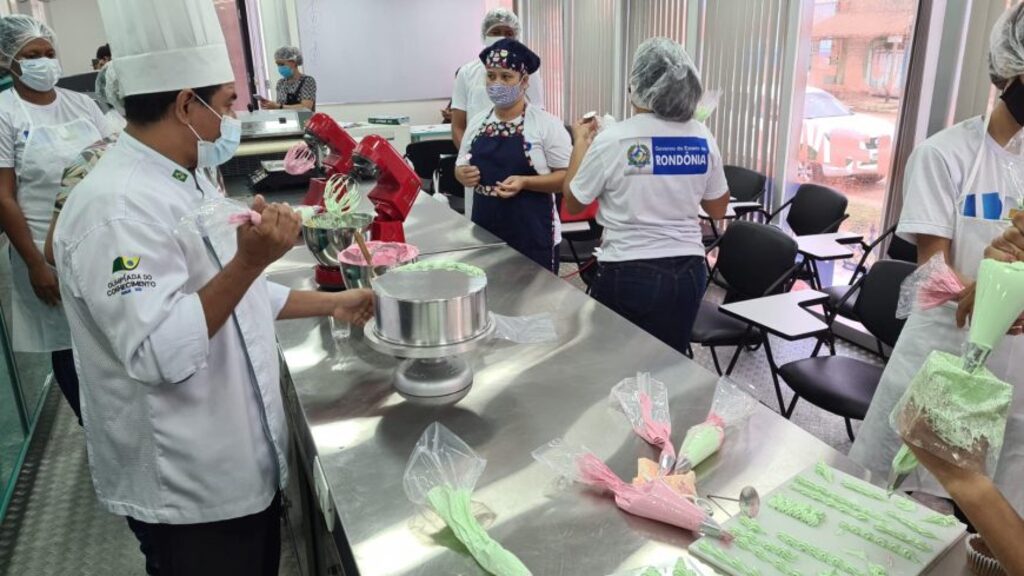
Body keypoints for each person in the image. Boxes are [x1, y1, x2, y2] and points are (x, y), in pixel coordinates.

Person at [54, 1, 374, 574]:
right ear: (185, 104)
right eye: (227, 103)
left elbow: (232, 300)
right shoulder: (116, 208)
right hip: (188, 490)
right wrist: (249, 263)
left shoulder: (187, 178)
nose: (233, 118)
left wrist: (333, 303)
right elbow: (160, 353)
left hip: (234, 466)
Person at [849, 3, 1024, 520]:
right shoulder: (944, 155)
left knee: (997, 528)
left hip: (1015, 375)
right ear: (1010, 70)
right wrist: (990, 285)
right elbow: (929, 275)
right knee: (907, 518)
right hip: (943, 362)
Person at [562, 37, 729, 355]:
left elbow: (574, 201)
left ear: (636, 87)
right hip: (689, 272)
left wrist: (581, 143)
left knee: (615, 363)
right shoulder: (701, 135)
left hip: (631, 268)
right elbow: (718, 206)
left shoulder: (614, 138)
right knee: (671, 366)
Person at [0, 15, 113, 424]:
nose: (44, 62)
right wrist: (35, 263)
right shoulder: (4, 114)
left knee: (109, 335)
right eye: (31, 56)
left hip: (97, 241)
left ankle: (120, 425)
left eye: (48, 53)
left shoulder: (81, 104)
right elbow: (4, 197)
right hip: (39, 247)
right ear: (7, 60)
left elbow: (113, 161)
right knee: (66, 343)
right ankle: (93, 428)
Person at [454, 39, 570, 273]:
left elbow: (567, 178)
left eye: (506, 77)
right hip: (485, 231)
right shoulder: (477, 123)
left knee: (535, 305)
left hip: (534, 233)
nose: (496, 84)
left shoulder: (546, 125)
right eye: (491, 76)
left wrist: (526, 182)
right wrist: (461, 174)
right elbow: (460, 163)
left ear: (524, 81)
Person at [451, 8, 544, 150]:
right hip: (478, 152)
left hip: (520, 149)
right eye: (495, 32)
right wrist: (467, 157)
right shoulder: (466, 73)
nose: (502, 37)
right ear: (485, 35)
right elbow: (458, 126)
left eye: (508, 33)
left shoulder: (529, 71)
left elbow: (538, 113)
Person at [258, 46, 316, 111]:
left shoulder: (307, 81)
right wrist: (270, 105)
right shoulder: (281, 83)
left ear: (293, 62)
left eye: (281, 64)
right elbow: (280, 105)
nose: (279, 67)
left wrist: (278, 106)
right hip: (285, 120)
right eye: (278, 64)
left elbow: (306, 107)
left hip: (303, 120)